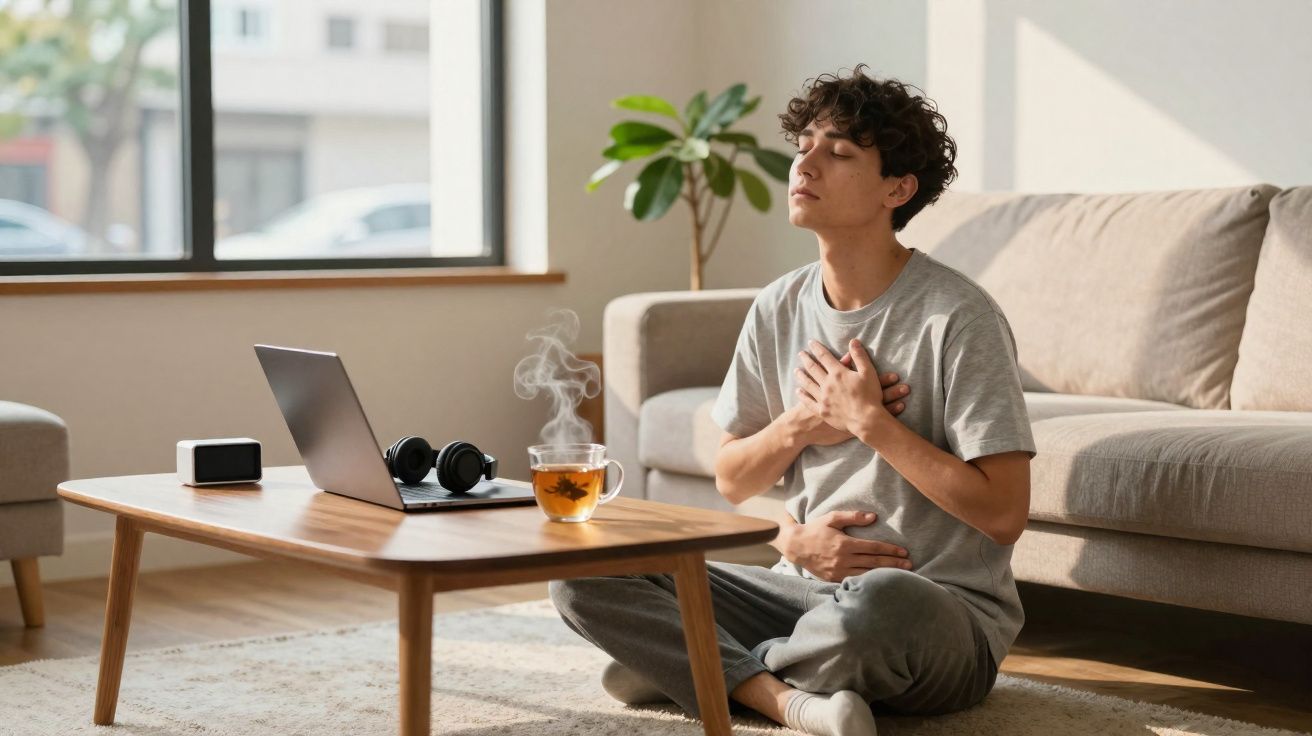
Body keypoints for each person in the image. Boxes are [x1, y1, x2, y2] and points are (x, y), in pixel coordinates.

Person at [549, 64, 1036, 736]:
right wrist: (800, 464)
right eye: (804, 145)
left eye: (838, 153)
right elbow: (732, 476)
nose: (805, 162)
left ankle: (698, 668)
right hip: (798, 590)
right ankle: (781, 699)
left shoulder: (957, 316)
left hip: (933, 614)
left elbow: (1006, 513)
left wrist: (868, 422)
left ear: (897, 188)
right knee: (583, 575)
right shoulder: (779, 305)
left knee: (882, 607)